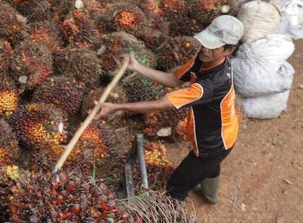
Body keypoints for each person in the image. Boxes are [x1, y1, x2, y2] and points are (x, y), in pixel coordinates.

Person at [96, 15, 244, 203]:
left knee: (176, 187)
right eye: (206, 42)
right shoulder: (202, 58)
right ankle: (210, 195)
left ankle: (170, 219)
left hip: (214, 143)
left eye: (213, 47)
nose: (205, 49)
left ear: (228, 51)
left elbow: (160, 105)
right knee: (211, 167)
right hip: (226, 130)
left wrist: (117, 107)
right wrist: (137, 67)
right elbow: (173, 80)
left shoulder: (212, 84)